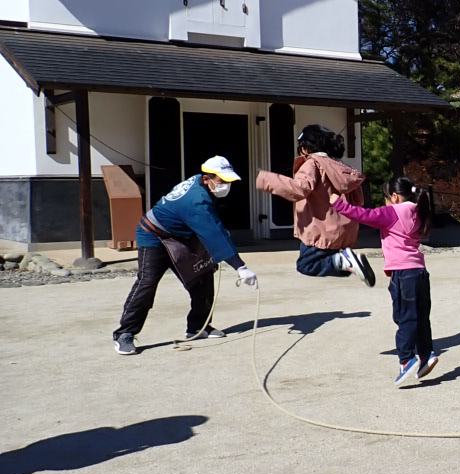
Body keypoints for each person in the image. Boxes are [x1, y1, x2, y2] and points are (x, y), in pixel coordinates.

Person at [112, 156, 258, 355]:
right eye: (222, 181)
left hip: (182, 236)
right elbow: (214, 234)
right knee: (147, 282)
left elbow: (211, 223)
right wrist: (240, 267)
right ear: (207, 178)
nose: (226, 185)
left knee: (203, 276)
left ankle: (198, 326)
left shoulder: (201, 183)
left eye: (229, 181)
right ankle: (125, 333)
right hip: (153, 235)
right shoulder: (195, 199)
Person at [331, 178, 437, 386]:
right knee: (421, 317)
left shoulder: (392, 212)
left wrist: (338, 204)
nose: (385, 202)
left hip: (403, 273)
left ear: (394, 197)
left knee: (404, 318)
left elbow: (363, 215)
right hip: (420, 272)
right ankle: (426, 355)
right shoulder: (418, 210)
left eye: (386, 198)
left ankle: (406, 359)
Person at [255, 124, 374, 285]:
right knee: (330, 263)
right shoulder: (342, 166)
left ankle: (343, 260)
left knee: (306, 265)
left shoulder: (313, 164)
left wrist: (265, 179)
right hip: (345, 229)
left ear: (306, 147)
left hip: (320, 229)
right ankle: (345, 261)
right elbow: (359, 200)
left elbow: (299, 188)